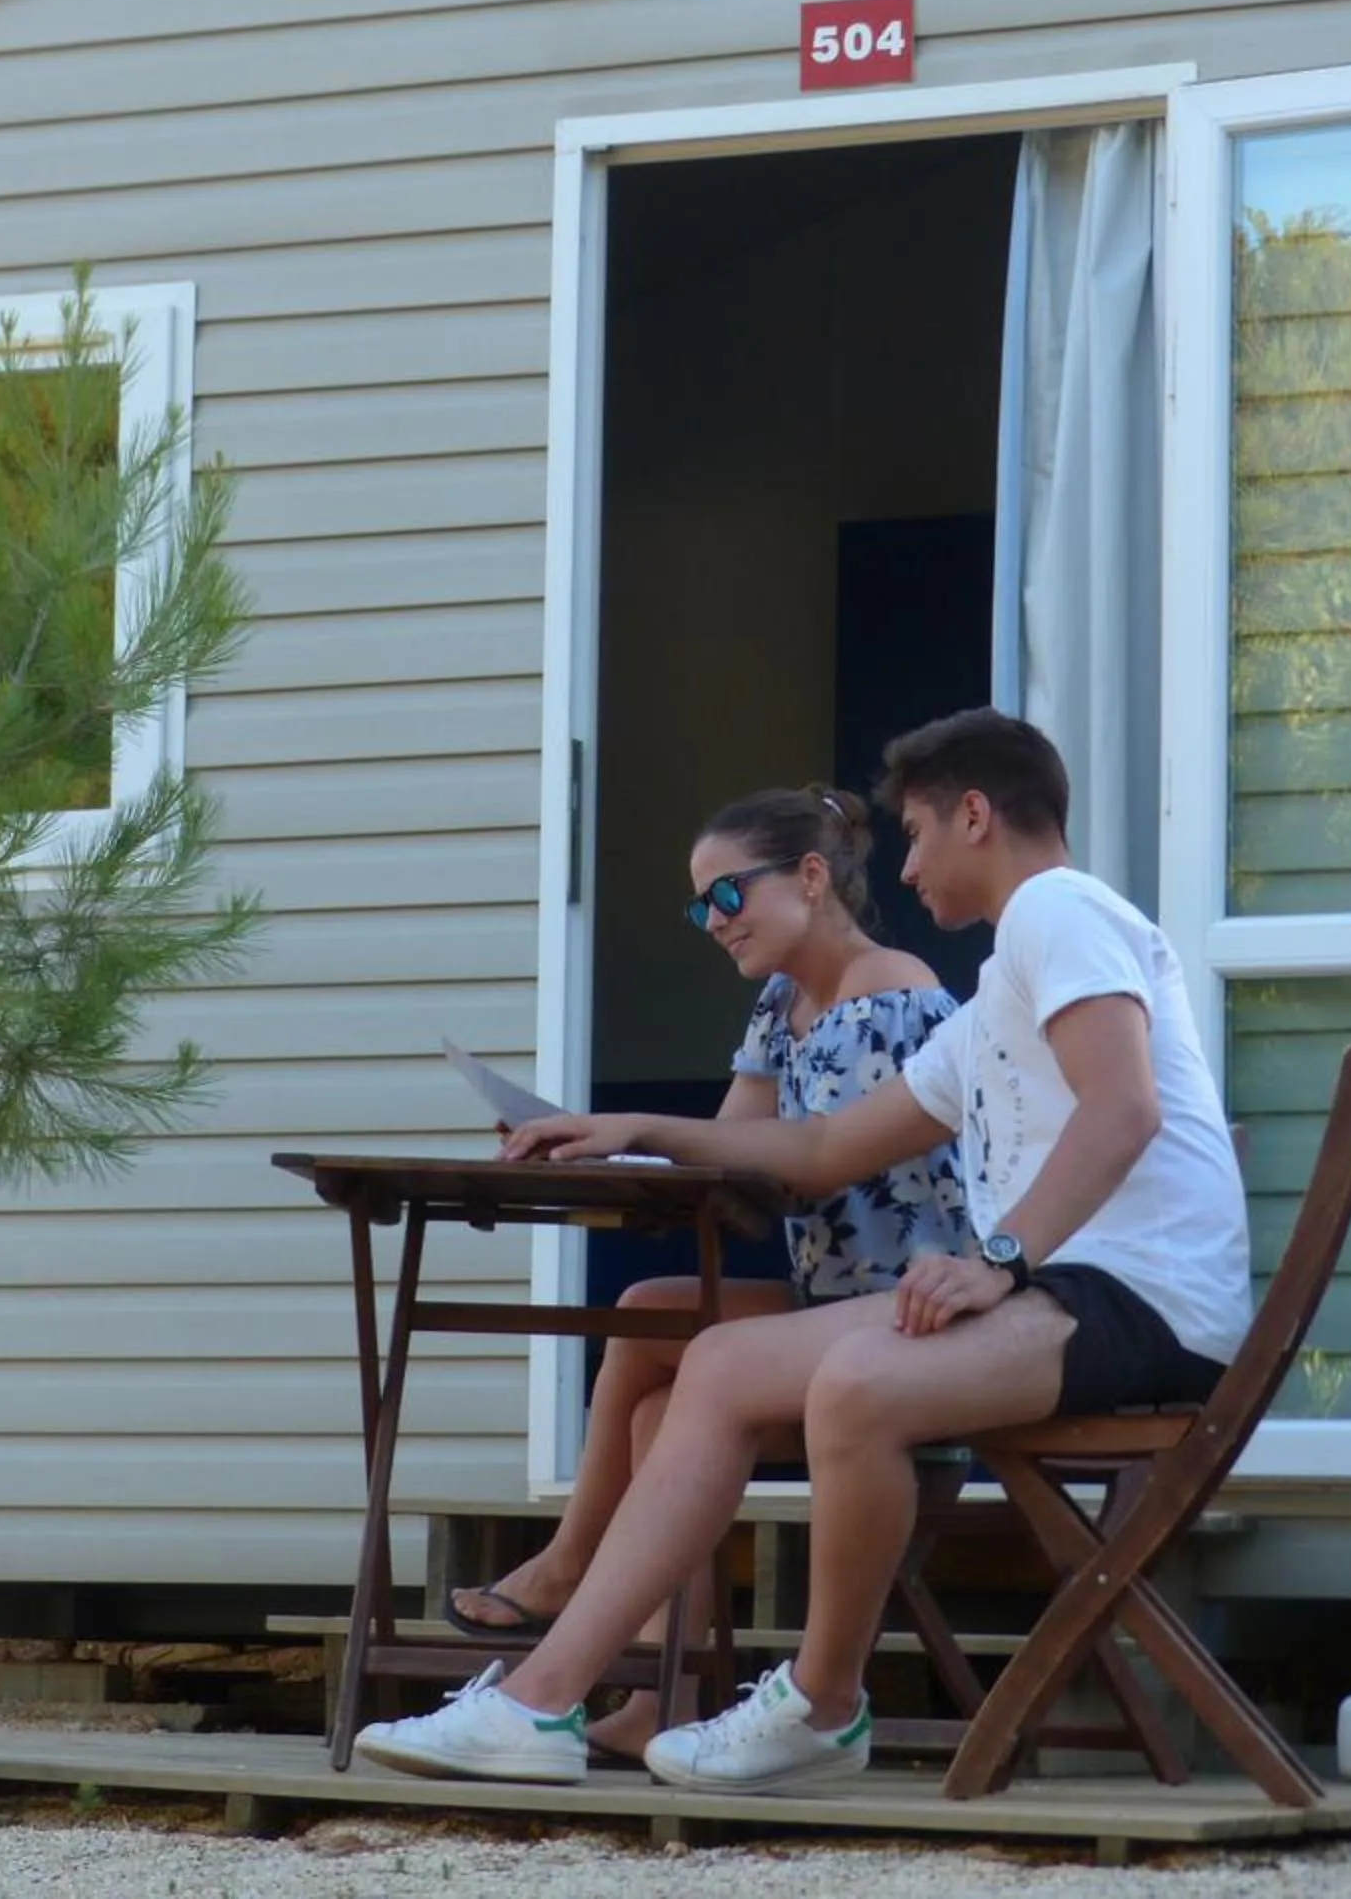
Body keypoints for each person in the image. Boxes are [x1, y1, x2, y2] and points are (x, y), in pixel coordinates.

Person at [353, 709, 1249, 1793]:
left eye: (916, 834)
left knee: (858, 1383)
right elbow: (823, 1150)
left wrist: (1000, 1260)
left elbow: (1124, 1107)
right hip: (1060, 1298)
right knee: (720, 1363)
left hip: (1140, 1307)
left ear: (975, 815)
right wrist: (634, 1128)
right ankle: (534, 1706)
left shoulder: (1061, 910)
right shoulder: (990, 1005)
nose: (905, 867)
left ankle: (823, 1707)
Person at [444, 783, 970, 1760]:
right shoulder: (782, 1003)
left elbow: (815, 1161)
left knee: (667, 1352)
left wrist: (640, 1128)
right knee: (649, 1324)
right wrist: (592, 1155)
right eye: (700, 907)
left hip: (916, 1314)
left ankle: (570, 1568)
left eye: (728, 895)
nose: (714, 922)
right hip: (830, 1300)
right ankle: (661, 1690)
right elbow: (732, 1169)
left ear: (809, 878)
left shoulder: (890, 994)